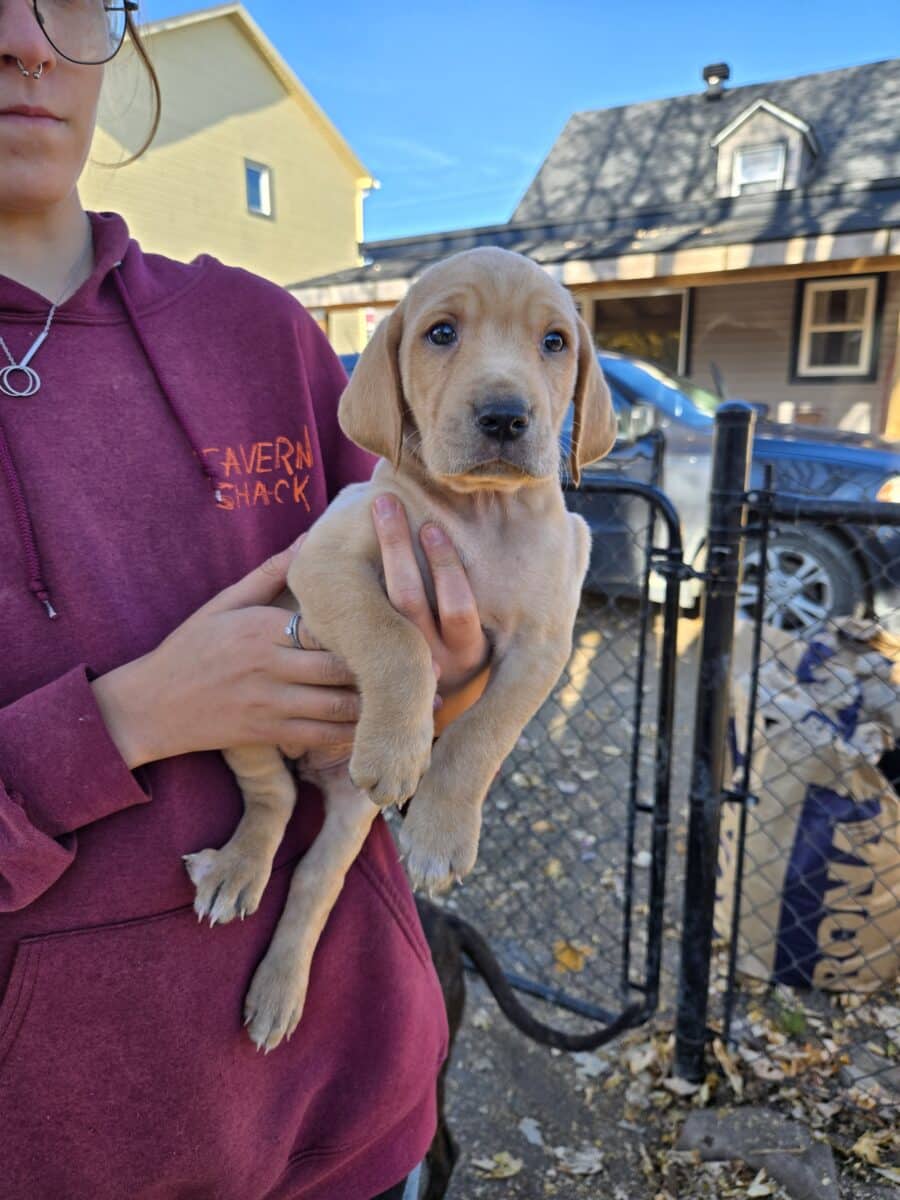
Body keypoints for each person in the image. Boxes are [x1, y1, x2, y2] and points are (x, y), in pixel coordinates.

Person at [0, 4, 490, 1198]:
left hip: (359, 1120)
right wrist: (124, 721)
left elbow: (441, 661)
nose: (24, 38)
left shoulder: (261, 332)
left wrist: (453, 672)